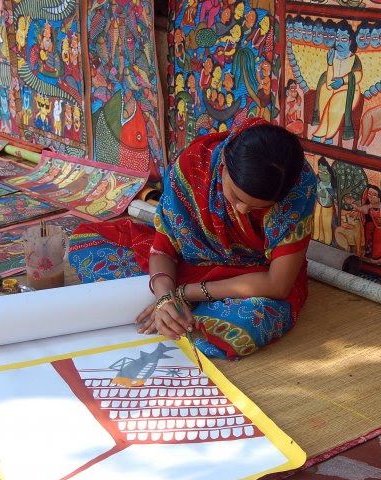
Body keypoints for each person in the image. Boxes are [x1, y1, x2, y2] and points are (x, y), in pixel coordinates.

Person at [68, 119, 316, 360]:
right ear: (223, 167)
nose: (241, 210)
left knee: (251, 322)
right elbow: (163, 247)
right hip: (187, 262)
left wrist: (186, 293)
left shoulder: (296, 187)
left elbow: (277, 284)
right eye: (236, 197)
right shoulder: (193, 164)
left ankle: (176, 313)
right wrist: (165, 296)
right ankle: (175, 313)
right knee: (88, 247)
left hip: (250, 278)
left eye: (255, 207)